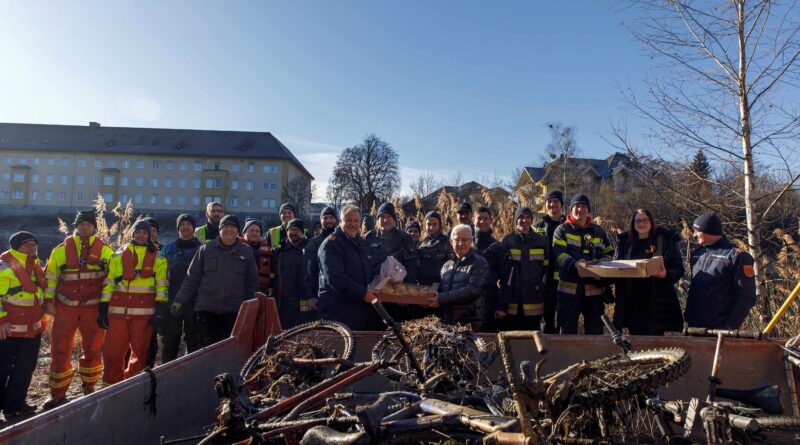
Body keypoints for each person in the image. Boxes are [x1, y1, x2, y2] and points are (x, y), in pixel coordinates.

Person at [42, 210, 113, 410]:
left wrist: (105, 305)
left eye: (89, 224)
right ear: (76, 226)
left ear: (94, 227)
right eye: (81, 224)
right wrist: (48, 302)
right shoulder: (60, 251)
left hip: (93, 308)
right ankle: (57, 393)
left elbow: (111, 278)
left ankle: (88, 387)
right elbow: (51, 278)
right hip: (65, 307)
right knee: (60, 349)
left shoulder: (105, 251)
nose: (85, 227)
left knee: (92, 349)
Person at [99, 219, 168, 386]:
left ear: (149, 235)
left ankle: (130, 388)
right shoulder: (117, 256)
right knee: (112, 354)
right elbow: (109, 283)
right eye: (138, 232)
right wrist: (103, 307)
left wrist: (160, 309)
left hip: (144, 316)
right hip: (117, 314)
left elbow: (162, 286)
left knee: (140, 355)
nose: (141, 235)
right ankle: (110, 388)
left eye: (145, 232)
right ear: (133, 233)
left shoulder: (159, 259)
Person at [173, 215, 259, 347]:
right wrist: (180, 299)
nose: (229, 230)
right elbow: (192, 278)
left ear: (238, 231)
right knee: (205, 351)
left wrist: (250, 309)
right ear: (220, 229)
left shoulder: (246, 252)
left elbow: (251, 283)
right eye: (225, 227)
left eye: (232, 227)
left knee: (229, 351)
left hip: (234, 312)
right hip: (206, 311)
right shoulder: (206, 249)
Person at [613, 209, 684, 335]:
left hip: (657, 304)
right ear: (633, 223)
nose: (641, 223)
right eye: (638, 221)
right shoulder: (625, 243)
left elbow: (678, 268)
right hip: (632, 303)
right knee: (636, 344)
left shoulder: (665, 240)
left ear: (651, 221)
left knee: (655, 344)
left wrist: (666, 274)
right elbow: (617, 269)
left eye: (645, 220)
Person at [0, 232, 48, 420]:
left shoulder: (35, 264)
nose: (32, 248)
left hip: (32, 330)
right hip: (8, 330)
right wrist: (1, 321)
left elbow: (40, 292)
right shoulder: (4, 267)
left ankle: (15, 406)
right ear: (16, 246)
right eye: (27, 245)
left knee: (25, 369)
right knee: (2, 369)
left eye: (34, 244)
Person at [552, 194, 615, 335]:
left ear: (588, 211)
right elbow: (558, 253)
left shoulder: (598, 231)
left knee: (595, 331)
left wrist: (602, 266)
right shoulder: (562, 230)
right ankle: (568, 358)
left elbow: (609, 252)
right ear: (571, 209)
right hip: (569, 291)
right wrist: (574, 264)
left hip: (594, 291)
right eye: (577, 206)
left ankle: (595, 358)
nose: (580, 209)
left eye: (583, 206)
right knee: (566, 331)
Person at [685, 212, 756, 329]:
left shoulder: (737, 256)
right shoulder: (697, 254)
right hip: (694, 326)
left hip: (721, 328)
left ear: (709, 231)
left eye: (697, 231)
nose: (694, 235)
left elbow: (746, 296)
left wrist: (730, 325)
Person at [318, 205, 383, 331]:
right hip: (339, 312)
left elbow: (368, 270)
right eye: (348, 220)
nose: (353, 224)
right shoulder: (331, 245)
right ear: (340, 221)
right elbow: (336, 278)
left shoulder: (361, 243)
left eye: (356, 221)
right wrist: (363, 293)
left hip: (359, 310)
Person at [427, 224, 489, 331]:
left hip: (470, 325)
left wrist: (440, 298)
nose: (461, 244)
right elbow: (440, 289)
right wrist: (427, 298)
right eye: (457, 240)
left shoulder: (479, 263)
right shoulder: (447, 265)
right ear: (451, 242)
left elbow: (472, 291)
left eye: (465, 240)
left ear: (471, 241)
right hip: (448, 326)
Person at [496, 207, 548, 331]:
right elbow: (501, 273)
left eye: (528, 217)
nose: (524, 220)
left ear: (532, 220)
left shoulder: (541, 241)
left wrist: (541, 288)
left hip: (534, 301)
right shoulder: (507, 241)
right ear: (515, 220)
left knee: (531, 341)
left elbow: (546, 270)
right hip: (512, 302)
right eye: (521, 218)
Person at [159, 214, 203, 363]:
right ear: (178, 228)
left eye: (188, 224)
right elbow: (159, 276)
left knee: (194, 340)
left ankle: (191, 375)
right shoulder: (167, 250)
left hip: (195, 302)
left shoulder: (203, 249)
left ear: (193, 227)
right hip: (172, 301)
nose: (185, 227)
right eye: (182, 224)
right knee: (170, 340)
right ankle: (165, 374)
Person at [533, 190, 566, 334]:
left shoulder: (569, 224)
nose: (552, 205)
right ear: (545, 205)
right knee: (546, 315)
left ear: (561, 205)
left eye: (556, 202)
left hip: (565, 277)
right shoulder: (538, 226)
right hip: (544, 278)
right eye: (549, 202)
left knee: (564, 315)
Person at [365, 202, 418, 284]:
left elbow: (411, 265)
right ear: (377, 220)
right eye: (382, 216)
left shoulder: (404, 238)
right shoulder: (369, 237)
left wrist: (407, 286)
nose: (385, 220)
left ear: (394, 220)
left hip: (396, 287)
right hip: (373, 287)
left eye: (389, 216)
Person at [473, 207, 507, 333]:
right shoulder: (466, 244)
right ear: (473, 220)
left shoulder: (498, 247)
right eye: (479, 218)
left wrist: (502, 306)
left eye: (485, 218)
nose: (482, 221)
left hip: (489, 301)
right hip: (468, 301)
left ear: (491, 220)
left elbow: (505, 279)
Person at [273, 219, 310, 328]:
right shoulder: (279, 251)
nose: (293, 232)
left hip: (304, 301)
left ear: (302, 232)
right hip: (283, 302)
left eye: (296, 230)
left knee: (303, 331)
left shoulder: (310, 248)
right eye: (290, 230)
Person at [304, 207, 338, 314]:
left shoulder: (341, 239)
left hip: (339, 295)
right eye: (325, 217)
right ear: (321, 220)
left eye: (331, 217)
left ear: (336, 219)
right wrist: (310, 296)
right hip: (321, 295)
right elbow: (309, 271)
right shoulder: (314, 243)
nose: (328, 220)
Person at [416, 211, 453, 287]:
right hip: (422, 285)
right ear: (424, 225)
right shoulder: (421, 243)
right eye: (428, 224)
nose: (431, 227)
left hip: (441, 285)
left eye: (435, 224)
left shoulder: (447, 242)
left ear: (440, 225)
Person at [240, 218, 273, 295]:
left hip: (262, 291)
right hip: (241, 292)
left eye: (257, 231)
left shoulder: (268, 252)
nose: (254, 233)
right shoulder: (236, 250)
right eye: (251, 230)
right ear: (244, 233)